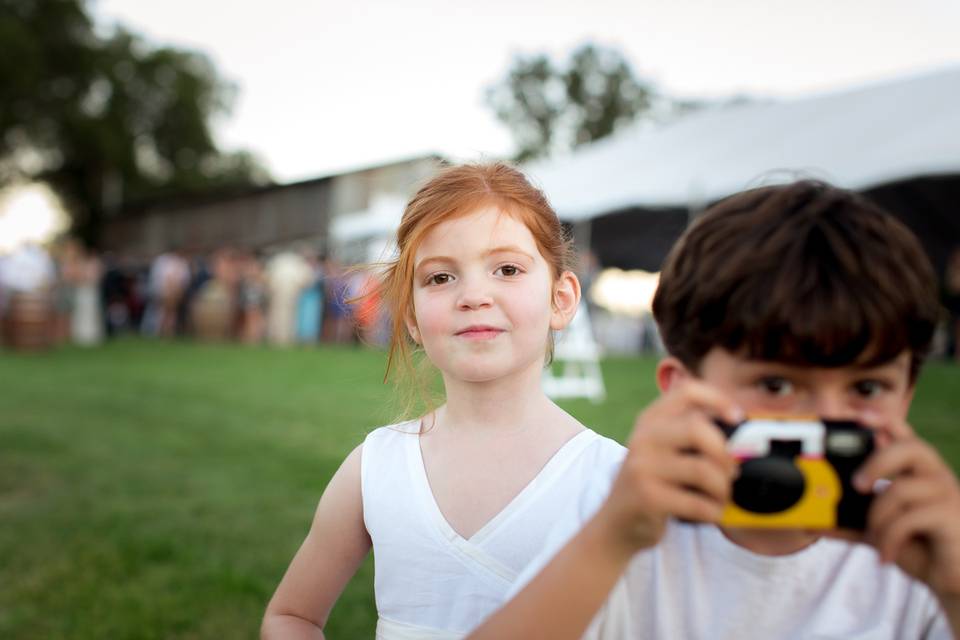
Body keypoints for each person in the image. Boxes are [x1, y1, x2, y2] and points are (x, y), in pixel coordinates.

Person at [469, 181, 960, 639]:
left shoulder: (922, 540)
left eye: (868, 387)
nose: (826, 418)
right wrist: (609, 539)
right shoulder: (625, 506)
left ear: (908, 392)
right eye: (776, 383)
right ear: (683, 391)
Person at [261, 162, 625, 639]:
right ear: (410, 317)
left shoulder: (615, 481)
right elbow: (291, 616)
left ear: (561, 298)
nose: (474, 295)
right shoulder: (375, 467)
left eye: (507, 269)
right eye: (439, 278)